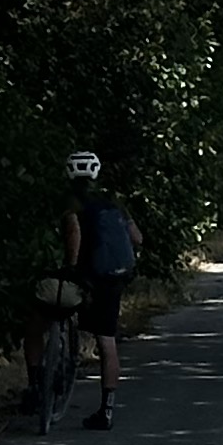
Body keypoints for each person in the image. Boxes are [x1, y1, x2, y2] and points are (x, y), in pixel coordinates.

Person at [62, 149, 143, 430]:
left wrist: (71, 266)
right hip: (114, 276)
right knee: (106, 342)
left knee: (56, 309)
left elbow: (74, 233)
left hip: (88, 275)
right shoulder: (114, 202)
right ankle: (106, 409)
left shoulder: (72, 200)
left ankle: (48, 378)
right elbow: (137, 237)